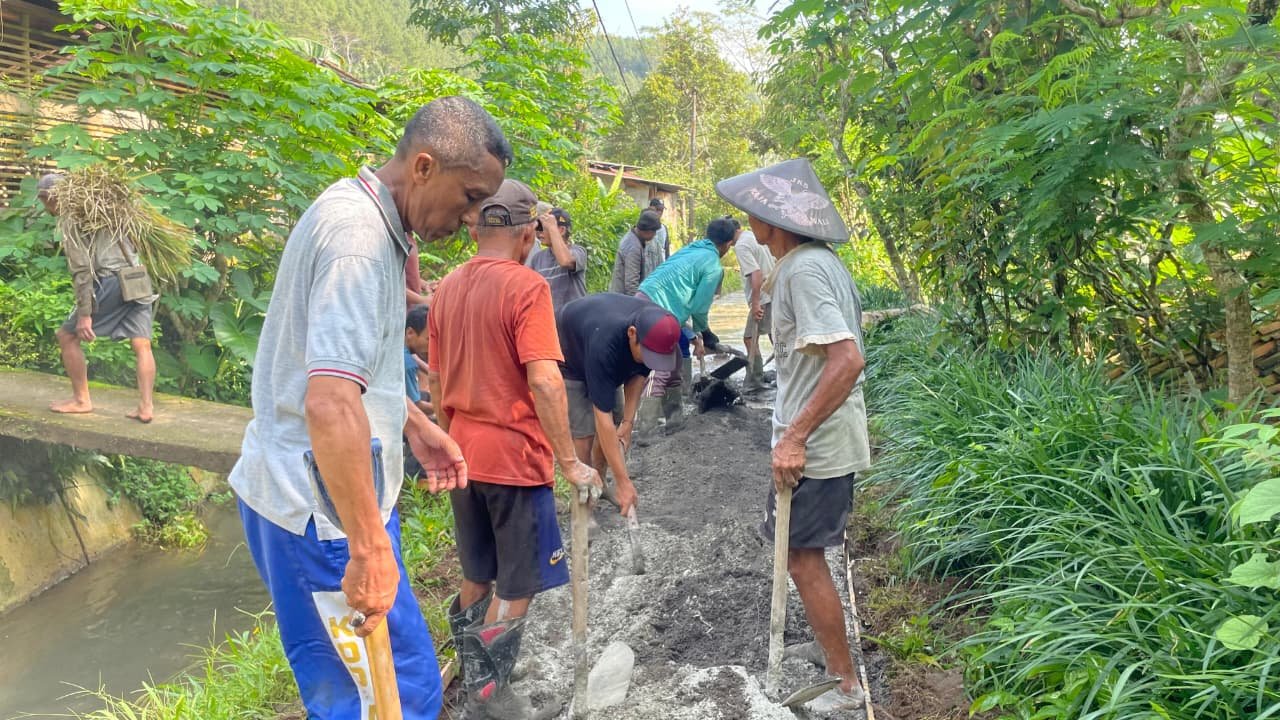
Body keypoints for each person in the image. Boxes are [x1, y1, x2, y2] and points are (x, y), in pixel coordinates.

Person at [229, 96, 510, 720]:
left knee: (400, 687)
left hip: (338, 508)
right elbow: (328, 403)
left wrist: (412, 422)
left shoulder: (376, 225)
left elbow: (348, 370)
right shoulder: (358, 240)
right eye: (467, 198)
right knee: (374, 700)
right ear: (423, 167)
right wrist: (366, 547)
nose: (469, 220)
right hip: (321, 516)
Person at [427, 178, 602, 720]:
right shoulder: (527, 288)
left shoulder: (448, 287)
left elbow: (434, 382)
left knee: (476, 572)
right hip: (512, 459)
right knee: (519, 581)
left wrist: (448, 439)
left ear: (477, 230)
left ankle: (474, 675)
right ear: (529, 234)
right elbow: (546, 381)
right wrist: (569, 461)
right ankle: (490, 697)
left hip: (461, 453)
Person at [715, 157, 870, 711]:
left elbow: (847, 360)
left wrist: (796, 436)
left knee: (803, 559)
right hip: (814, 441)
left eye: (752, 214)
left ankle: (846, 684)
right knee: (798, 555)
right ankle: (830, 653)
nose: (746, 222)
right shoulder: (810, 263)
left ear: (772, 222)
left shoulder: (804, 271)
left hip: (818, 449)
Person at [37, 173, 159, 423]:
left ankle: (82, 401)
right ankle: (146, 408)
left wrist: (85, 315)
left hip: (111, 282)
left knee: (67, 336)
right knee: (141, 344)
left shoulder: (71, 220)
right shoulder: (111, 209)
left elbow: (82, 271)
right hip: (137, 278)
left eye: (43, 201)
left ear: (48, 197)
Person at [557, 293, 681, 516]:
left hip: (605, 349)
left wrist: (628, 421)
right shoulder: (605, 345)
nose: (651, 361)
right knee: (584, 433)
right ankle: (582, 501)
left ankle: (601, 484)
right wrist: (624, 482)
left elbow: (639, 374)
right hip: (569, 351)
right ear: (632, 335)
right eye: (649, 355)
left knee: (615, 425)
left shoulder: (657, 331)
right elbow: (600, 418)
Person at [635, 216, 737, 428]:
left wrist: (696, 336)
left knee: (674, 364)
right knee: (662, 368)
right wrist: (706, 333)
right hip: (658, 311)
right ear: (728, 244)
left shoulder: (692, 248)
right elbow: (699, 308)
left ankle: (674, 421)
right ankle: (645, 429)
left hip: (643, 298)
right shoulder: (712, 266)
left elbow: (680, 299)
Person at [730, 215, 776, 391]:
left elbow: (756, 274)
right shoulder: (751, 235)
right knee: (776, 336)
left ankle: (755, 381)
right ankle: (786, 372)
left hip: (763, 296)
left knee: (750, 338)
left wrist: (756, 304)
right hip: (773, 291)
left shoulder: (741, 245)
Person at [528, 207, 588, 310]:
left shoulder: (579, 252)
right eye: (539, 228)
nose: (539, 233)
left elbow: (565, 261)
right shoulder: (537, 259)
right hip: (550, 323)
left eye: (544, 228)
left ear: (561, 230)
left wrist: (552, 227)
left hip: (574, 321)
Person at [608, 209, 665, 296]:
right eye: (654, 232)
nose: (654, 236)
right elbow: (631, 285)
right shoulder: (633, 247)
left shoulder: (633, 237)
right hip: (622, 299)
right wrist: (638, 305)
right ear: (648, 231)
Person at [404, 303, 433, 417]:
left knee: (427, 395)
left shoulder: (399, 347)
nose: (432, 345)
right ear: (410, 333)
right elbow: (417, 407)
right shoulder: (408, 365)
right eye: (428, 339)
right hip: (404, 419)